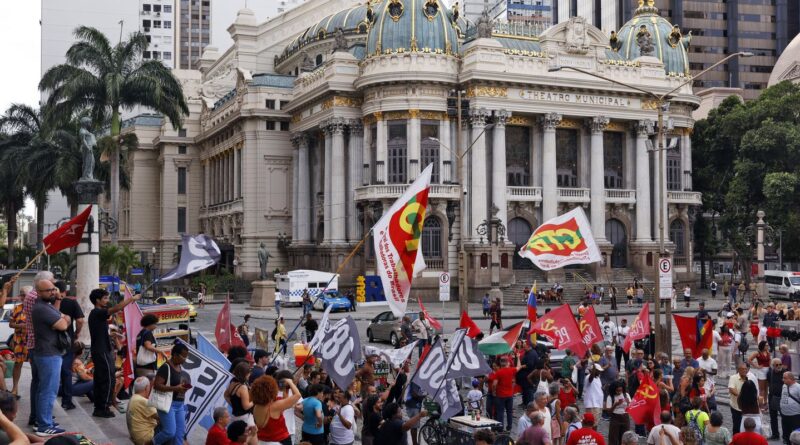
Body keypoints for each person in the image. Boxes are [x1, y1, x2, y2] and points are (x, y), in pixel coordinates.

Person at [87, 288, 140, 418]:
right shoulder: (98, 312)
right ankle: (103, 407)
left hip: (101, 350)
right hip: (102, 351)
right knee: (108, 379)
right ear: (97, 300)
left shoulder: (96, 314)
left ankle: (99, 407)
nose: (107, 300)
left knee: (101, 379)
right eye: (104, 298)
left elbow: (99, 331)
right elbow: (115, 309)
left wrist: (111, 334)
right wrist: (131, 299)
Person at [31, 278, 71, 437]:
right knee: (48, 391)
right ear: (39, 292)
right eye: (48, 290)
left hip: (47, 353)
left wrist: (63, 318)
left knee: (44, 390)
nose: (53, 292)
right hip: (48, 354)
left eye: (53, 289)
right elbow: (63, 324)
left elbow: (64, 318)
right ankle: (44, 425)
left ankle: (42, 421)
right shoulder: (41, 308)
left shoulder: (46, 306)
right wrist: (64, 319)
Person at [152, 342, 192, 445]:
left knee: (179, 435)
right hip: (167, 404)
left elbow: (176, 384)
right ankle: (152, 443)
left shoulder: (179, 367)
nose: (185, 359)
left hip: (179, 405)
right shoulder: (165, 367)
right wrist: (175, 388)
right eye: (183, 356)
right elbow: (156, 385)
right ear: (175, 355)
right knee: (169, 432)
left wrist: (183, 388)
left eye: (186, 357)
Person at [53, 281, 83, 411]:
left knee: (52, 372)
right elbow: (81, 320)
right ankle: (67, 401)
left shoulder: (49, 303)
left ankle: (51, 400)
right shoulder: (71, 303)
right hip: (67, 341)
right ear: (65, 290)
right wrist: (76, 333)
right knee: (66, 372)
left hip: (51, 341)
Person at [252, 374, 301, 445]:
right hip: (280, 440)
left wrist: (285, 389)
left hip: (263, 440)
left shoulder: (256, 406)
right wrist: (290, 382)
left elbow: (284, 402)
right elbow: (298, 395)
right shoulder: (274, 406)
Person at [9, 285, 30, 396]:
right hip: (19, 340)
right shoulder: (17, 308)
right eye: (21, 294)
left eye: (24, 294)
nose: (22, 296)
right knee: (17, 364)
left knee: (36, 365)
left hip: (32, 340)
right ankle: (15, 388)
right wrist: (20, 325)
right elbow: (11, 324)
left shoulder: (35, 308)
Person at [127, 376, 159, 445]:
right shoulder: (143, 401)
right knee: (169, 430)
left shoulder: (133, 397)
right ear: (147, 387)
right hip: (144, 438)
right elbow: (161, 418)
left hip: (137, 436)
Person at [492, 355, 521, 431]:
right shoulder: (511, 370)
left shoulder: (498, 372)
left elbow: (494, 384)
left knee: (500, 412)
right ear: (507, 362)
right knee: (509, 412)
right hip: (509, 395)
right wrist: (518, 357)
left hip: (500, 395)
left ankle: (500, 428)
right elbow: (519, 367)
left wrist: (494, 392)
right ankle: (509, 427)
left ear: (501, 363)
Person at [225, 361, 255, 426]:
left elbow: (226, 395)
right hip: (244, 419)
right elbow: (246, 406)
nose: (249, 374)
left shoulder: (232, 382)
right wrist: (255, 400)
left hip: (234, 417)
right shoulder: (243, 387)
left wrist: (234, 405)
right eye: (248, 373)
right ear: (244, 374)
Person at [135, 314, 162, 378]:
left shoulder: (140, 333)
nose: (156, 327)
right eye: (155, 324)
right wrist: (161, 352)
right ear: (150, 323)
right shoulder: (148, 333)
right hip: (148, 367)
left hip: (140, 366)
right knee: (148, 386)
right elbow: (148, 346)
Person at [605, 381, 631, 445]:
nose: (619, 392)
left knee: (625, 437)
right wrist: (615, 404)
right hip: (615, 417)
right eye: (617, 391)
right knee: (613, 437)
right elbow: (609, 411)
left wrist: (628, 403)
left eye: (621, 390)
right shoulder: (610, 397)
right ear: (613, 390)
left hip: (625, 417)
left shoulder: (626, 395)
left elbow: (630, 407)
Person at [781, 372, 800, 445]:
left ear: (791, 379)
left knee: (796, 437)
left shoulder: (798, 387)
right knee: (787, 436)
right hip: (785, 415)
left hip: (795, 416)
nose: (783, 380)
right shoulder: (784, 386)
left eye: (785, 378)